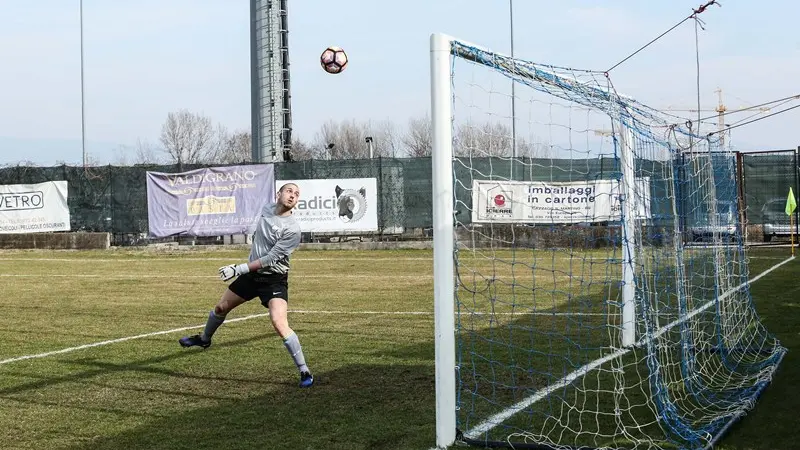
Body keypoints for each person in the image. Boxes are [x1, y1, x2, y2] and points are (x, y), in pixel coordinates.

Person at [178, 182, 313, 388]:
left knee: (279, 322)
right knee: (221, 308)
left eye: (296, 193)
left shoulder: (293, 229)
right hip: (252, 276)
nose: (292, 195)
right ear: (278, 194)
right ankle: (204, 339)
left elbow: (270, 258)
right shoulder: (267, 209)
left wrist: (238, 268)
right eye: (289, 191)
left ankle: (304, 370)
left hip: (273, 279)